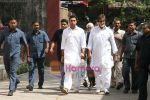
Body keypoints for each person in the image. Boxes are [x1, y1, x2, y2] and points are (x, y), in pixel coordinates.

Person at [87, 14, 118, 95]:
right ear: (98, 22)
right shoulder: (93, 30)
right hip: (96, 55)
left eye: (103, 21)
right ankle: (98, 87)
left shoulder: (109, 31)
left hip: (106, 55)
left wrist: (115, 54)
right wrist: (89, 52)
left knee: (107, 71)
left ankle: (106, 88)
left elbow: (113, 44)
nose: (102, 22)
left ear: (105, 21)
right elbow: (90, 43)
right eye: (100, 21)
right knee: (97, 72)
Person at [0, 18, 29, 96]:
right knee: (8, 70)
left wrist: (27, 55)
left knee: (12, 72)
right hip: (6, 54)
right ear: (9, 24)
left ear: (16, 23)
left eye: (14, 23)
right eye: (11, 23)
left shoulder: (20, 33)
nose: (13, 24)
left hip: (15, 55)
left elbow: (25, 45)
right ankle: (16, 80)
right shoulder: (4, 32)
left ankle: (11, 89)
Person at [61, 15, 86, 94]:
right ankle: (66, 87)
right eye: (71, 20)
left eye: (74, 20)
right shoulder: (65, 31)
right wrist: (62, 55)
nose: (72, 22)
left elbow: (83, 43)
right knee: (68, 72)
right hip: (68, 55)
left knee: (77, 73)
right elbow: (63, 44)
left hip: (77, 56)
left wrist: (82, 53)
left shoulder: (81, 31)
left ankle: (76, 88)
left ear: (76, 21)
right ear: (69, 21)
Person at [26, 21, 50, 91]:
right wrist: (26, 55)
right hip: (32, 56)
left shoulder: (43, 33)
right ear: (32, 26)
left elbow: (47, 42)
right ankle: (31, 85)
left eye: (37, 25)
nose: (36, 27)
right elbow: (26, 45)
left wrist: (47, 48)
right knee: (31, 69)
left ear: (39, 26)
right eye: (35, 25)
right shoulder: (29, 34)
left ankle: (40, 84)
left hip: (41, 56)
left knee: (41, 70)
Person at [120, 21, 142, 93]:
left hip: (136, 57)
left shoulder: (139, 34)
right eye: (129, 25)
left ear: (135, 26)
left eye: (132, 25)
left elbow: (142, 46)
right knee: (125, 72)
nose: (130, 27)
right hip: (126, 57)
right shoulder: (126, 35)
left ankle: (134, 88)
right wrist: (120, 55)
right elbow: (123, 46)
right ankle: (127, 87)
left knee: (135, 73)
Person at [50, 19, 68, 90]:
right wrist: (51, 48)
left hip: (69, 53)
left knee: (68, 70)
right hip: (60, 54)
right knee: (62, 70)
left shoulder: (70, 32)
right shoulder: (58, 32)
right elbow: (54, 41)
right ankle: (62, 84)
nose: (63, 25)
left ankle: (64, 84)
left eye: (64, 24)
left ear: (67, 24)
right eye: (62, 24)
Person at [135, 22, 150, 100]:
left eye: (144, 28)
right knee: (141, 83)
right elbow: (137, 51)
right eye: (142, 28)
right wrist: (136, 63)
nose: (142, 30)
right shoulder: (140, 38)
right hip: (142, 64)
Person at [111, 19, 125, 89]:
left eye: (118, 23)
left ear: (120, 24)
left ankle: (119, 82)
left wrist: (118, 37)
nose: (117, 24)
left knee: (119, 68)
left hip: (119, 53)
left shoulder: (122, 32)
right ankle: (113, 83)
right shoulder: (109, 31)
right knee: (111, 68)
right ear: (113, 24)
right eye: (116, 23)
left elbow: (125, 42)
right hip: (110, 54)